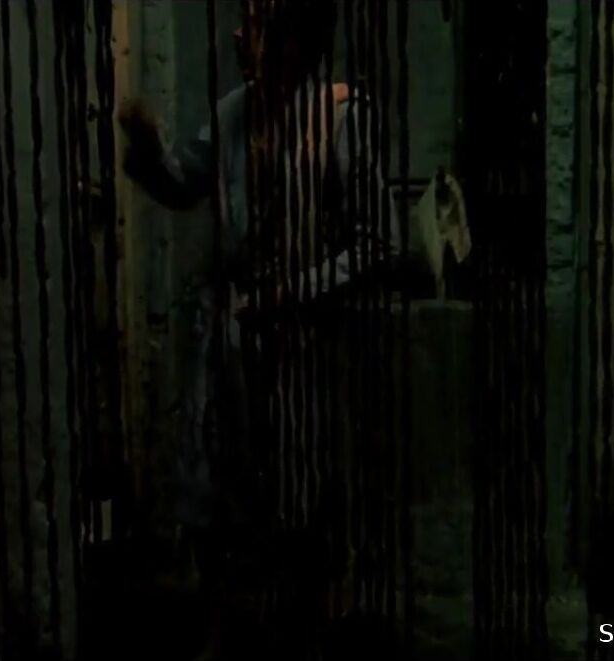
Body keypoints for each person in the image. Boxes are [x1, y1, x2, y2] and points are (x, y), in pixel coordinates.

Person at [119, 1, 398, 655]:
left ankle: (303, 629)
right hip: (235, 340)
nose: (240, 34)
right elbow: (184, 183)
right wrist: (147, 150)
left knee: (300, 502)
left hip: (305, 347)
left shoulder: (338, 115)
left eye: (257, 25)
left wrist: (292, 293)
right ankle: (228, 632)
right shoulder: (235, 112)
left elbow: (377, 241)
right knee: (220, 495)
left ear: (294, 42)